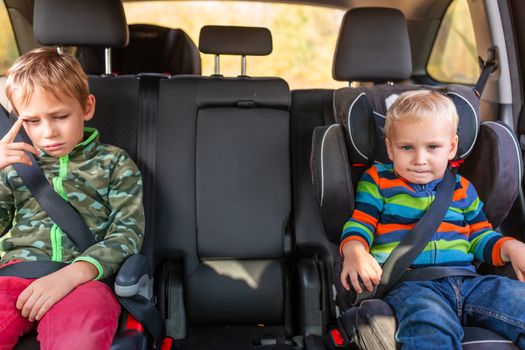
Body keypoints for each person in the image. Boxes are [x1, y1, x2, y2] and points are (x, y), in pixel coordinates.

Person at [339, 89, 525, 349]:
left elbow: (481, 237)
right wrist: (354, 250)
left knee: (518, 300)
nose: (420, 160)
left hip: (470, 282)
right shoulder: (378, 181)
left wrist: (510, 247)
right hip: (413, 285)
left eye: (432, 147)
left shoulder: (462, 188)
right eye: (407, 148)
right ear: (390, 149)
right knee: (429, 326)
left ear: (451, 147)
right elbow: (361, 223)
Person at [0, 47, 144, 349]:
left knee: (81, 336)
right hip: (14, 274)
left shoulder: (113, 163)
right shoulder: (16, 165)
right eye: (32, 122)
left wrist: (76, 273)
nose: (48, 132)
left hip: (84, 280)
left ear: (87, 107)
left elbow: (127, 233)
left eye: (60, 116)